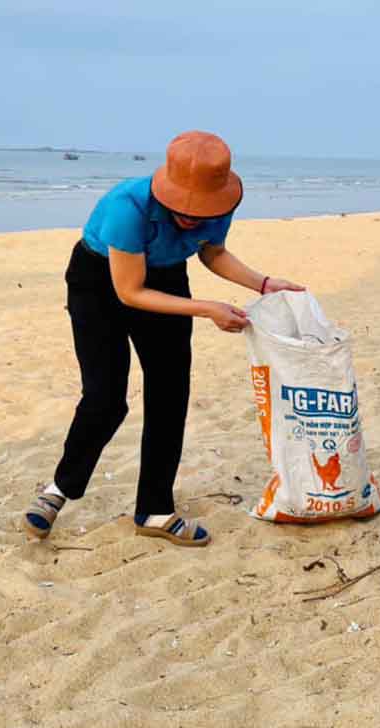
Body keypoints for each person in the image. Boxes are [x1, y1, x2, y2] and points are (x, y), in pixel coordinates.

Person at [23, 131, 304, 547]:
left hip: (167, 275)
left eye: (201, 209)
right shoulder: (128, 207)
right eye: (183, 208)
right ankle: (57, 491)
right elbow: (130, 292)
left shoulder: (220, 202)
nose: (193, 216)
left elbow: (212, 252)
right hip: (101, 281)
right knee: (105, 399)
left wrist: (263, 283)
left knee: (170, 394)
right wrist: (208, 308)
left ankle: (154, 509)